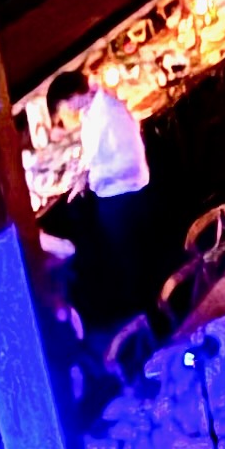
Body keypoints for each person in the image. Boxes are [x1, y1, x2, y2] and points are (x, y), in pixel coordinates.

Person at [49, 68, 155, 325]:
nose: (67, 113)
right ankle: (144, 312)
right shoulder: (93, 112)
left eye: (65, 106)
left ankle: (149, 315)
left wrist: (93, 176)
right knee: (126, 258)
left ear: (74, 95)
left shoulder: (109, 112)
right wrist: (87, 172)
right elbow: (100, 151)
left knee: (132, 261)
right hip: (116, 195)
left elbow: (129, 159)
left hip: (124, 197)